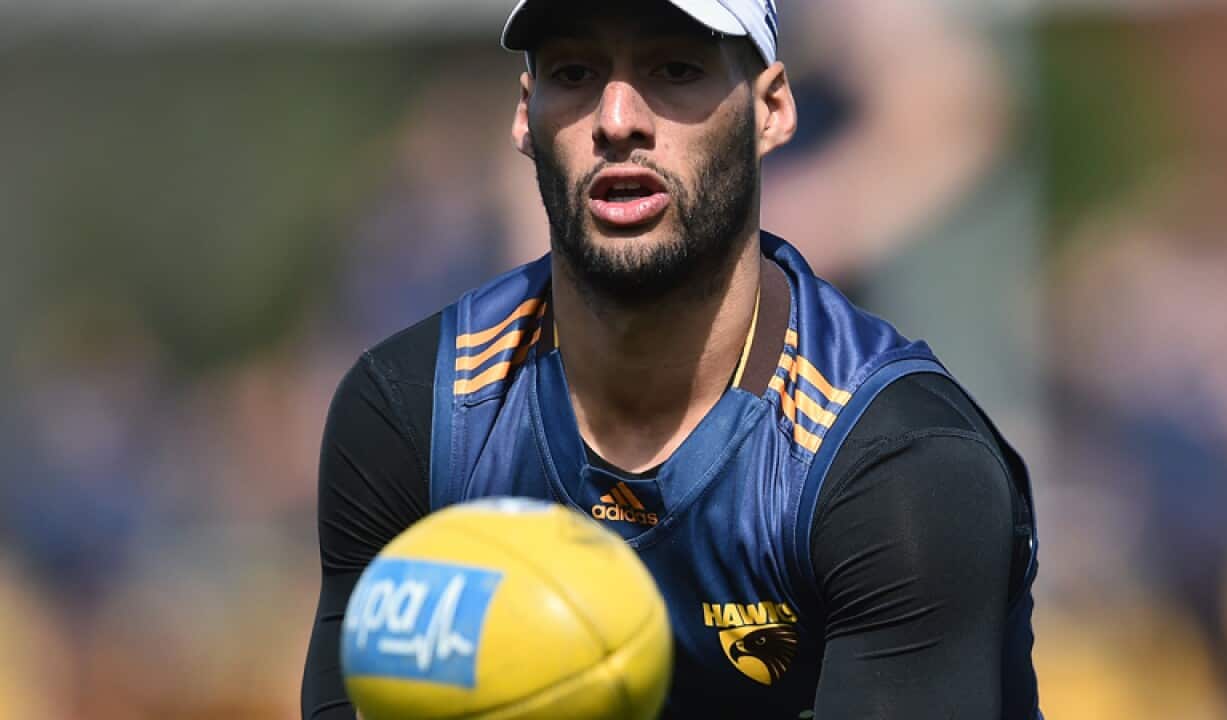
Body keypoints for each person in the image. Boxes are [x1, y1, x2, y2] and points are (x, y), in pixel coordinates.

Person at [301, 0, 1041, 717]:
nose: (618, 121)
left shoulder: (897, 468)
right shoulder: (415, 416)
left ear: (772, 110)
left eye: (676, 70)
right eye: (575, 74)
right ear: (526, 117)